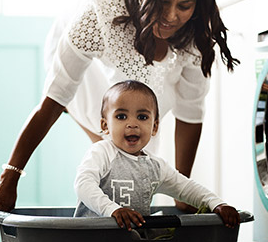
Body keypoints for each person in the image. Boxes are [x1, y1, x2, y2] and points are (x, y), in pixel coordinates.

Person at [0, 0, 239, 228]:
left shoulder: (194, 31)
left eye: (184, 6)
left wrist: (189, 198)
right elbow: (53, 102)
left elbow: (190, 113)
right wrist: (9, 178)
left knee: (139, 163)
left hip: (143, 94)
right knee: (112, 154)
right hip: (90, 78)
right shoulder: (99, 14)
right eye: (162, 1)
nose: (171, 15)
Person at [73, 80, 240, 230]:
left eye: (142, 117)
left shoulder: (155, 167)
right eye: (121, 116)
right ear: (105, 125)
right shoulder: (101, 152)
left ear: (154, 127)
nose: (132, 124)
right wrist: (112, 209)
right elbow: (83, 185)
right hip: (91, 241)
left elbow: (186, 188)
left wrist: (217, 203)